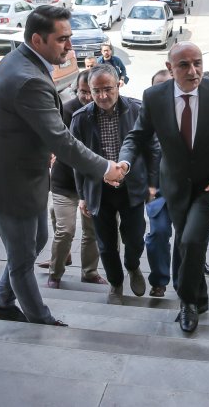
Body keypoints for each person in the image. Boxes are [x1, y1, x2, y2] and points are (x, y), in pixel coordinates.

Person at [0, 4, 126, 327]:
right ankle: (39, 320)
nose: (69, 46)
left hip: (23, 177)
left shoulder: (21, 60)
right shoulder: (28, 78)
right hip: (10, 184)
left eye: (69, 37)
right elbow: (62, 140)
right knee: (22, 261)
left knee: (38, 239)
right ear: (37, 40)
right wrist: (105, 168)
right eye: (62, 39)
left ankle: (1, 301)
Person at [119, 42, 209, 333]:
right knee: (188, 242)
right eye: (184, 65)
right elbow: (137, 136)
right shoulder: (154, 96)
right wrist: (124, 163)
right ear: (170, 68)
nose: (193, 71)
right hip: (175, 186)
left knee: (190, 241)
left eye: (197, 63)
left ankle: (188, 302)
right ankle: (200, 297)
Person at [71, 64, 160, 302]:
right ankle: (115, 281)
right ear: (89, 90)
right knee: (106, 242)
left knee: (135, 237)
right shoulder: (81, 118)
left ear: (118, 85)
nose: (102, 96)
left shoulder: (137, 110)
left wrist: (152, 183)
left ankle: (132, 265)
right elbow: (77, 160)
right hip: (98, 189)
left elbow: (152, 148)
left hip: (132, 186)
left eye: (107, 89)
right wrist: (82, 196)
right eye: (96, 90)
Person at [145, 69, 209, 297]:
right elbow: (137, 146)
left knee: (184, 239)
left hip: (186, 189)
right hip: (158, 190)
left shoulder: (189, 112)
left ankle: (182, 286)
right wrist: (148, 184)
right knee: (157, 234)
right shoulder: (146, 114)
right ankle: (159, 280)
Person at [38, 69, 108, 288]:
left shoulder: (103, 110)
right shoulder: (67, 110)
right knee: (65, 230)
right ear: (76, 89)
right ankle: (55, 273)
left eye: (90, 92)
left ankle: (89, 272)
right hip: (65, 180)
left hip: (91, 183)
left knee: (92, 231)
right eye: (82, 92)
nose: (87, 97)